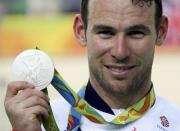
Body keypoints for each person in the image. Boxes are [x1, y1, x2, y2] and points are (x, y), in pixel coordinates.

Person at [4, 0, 180, 131]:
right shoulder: (35, 122)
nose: (120, 52)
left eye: (136, 33)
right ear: (81, 31)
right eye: (105, 33)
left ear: (161, 31)